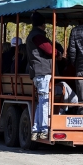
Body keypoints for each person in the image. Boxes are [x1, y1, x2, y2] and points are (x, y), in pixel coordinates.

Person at [26, 11, 62, 140]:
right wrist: (58, 53)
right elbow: (49, 50)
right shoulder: (38, 36)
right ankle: (44, 129)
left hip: (38, 72)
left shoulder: (33, 35)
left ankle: (36, 129)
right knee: (45, 101)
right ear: (43, 24)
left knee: (42, 101)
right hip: (43, 71)